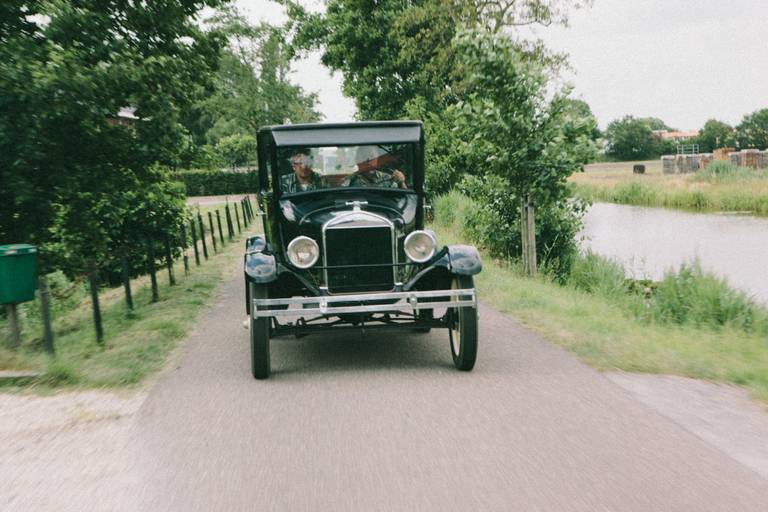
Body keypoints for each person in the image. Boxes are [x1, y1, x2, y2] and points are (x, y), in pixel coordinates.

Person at [342, 145, 408, 189]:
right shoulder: (349, 180)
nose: (368, 160)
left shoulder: (387, 178)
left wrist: (401, 182)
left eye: (372, 156)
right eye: (364, 156)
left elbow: (403, 198)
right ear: (357, 159)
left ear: (377, 159)